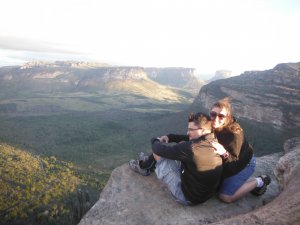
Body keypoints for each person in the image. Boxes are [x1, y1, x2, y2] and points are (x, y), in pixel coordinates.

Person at [129, 113, 223, 205]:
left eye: (191, 129)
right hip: (204, 194)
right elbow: (187, 138)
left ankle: (143, 168)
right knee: (181, 144)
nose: (188, 132)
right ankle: (149, 162)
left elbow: (158, 150)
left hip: (186, 197)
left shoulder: (192, 148)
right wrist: (170, 137)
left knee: (158, 154)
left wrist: (155, 140)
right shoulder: (213, 140)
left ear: (202, 130)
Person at [209, 97, 271, 203]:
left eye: (221, 116)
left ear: (228, 118)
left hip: (243, 163)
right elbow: (194, 135)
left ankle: (260, 181)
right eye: (213, 114)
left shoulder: (234, 134)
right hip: (227, 160)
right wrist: (172, 137)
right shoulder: (211, 124)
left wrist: (223, 152)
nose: (216, 118)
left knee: (225, 196)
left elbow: (233, 164)